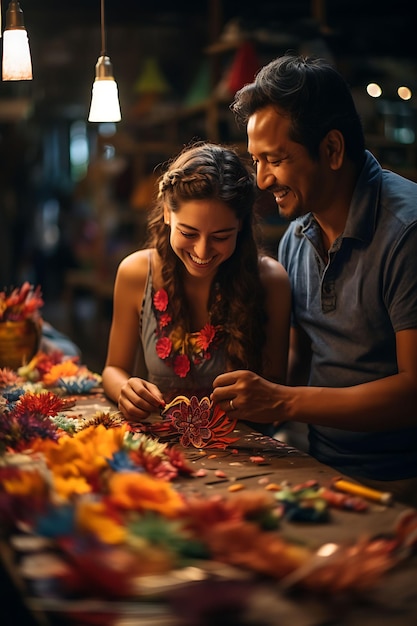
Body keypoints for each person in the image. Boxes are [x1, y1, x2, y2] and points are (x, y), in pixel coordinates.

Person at [211, 54, 417, 506]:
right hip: (320, 464)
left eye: (276, 160)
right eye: (256, 161)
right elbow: (298, 358)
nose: (263, 181)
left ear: (332, 149)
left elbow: (412, 391)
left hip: (399, 479)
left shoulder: (406, 232)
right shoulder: (297, 238)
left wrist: (282, 402)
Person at [102, 142, 291, 423]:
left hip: (245, 448)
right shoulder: (136, 273)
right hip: (161, 442)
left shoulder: (271, 281)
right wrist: (125, 389)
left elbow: (277, 390)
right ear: (167, 213)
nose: (202, 252)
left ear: (241, 225)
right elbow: (113, 369)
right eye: (189, 233)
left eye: (221, 237)